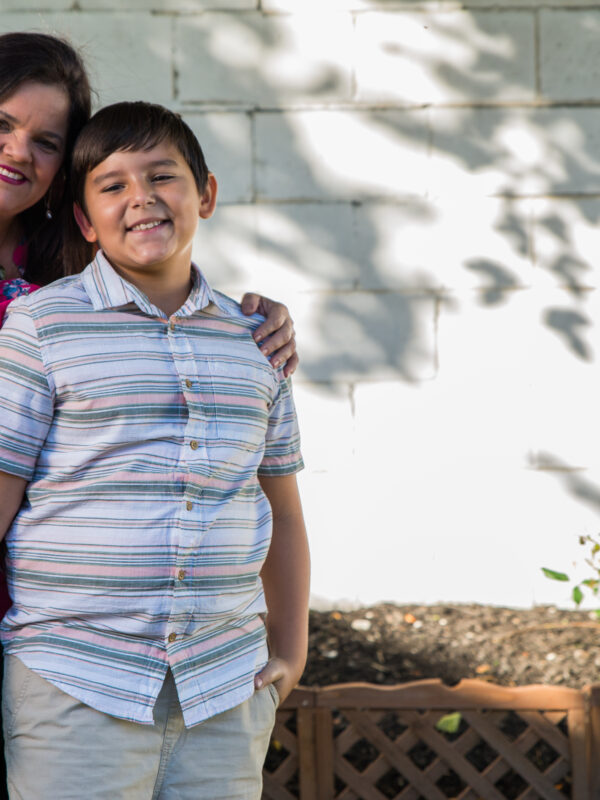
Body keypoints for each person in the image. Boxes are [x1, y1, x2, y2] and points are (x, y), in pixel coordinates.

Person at [0, 99, 310, 799]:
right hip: (74, 682)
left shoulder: (256, 340)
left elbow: (281, 509)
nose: (140, 198)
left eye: (161, 177)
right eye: (112, 186)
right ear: (84, 220)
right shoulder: (42, 326)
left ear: (205, 193)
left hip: (225, 687)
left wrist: (291, 651)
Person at [0, 31, 298, 372]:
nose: (19, 152)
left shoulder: (77, 253)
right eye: (2, 124)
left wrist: (250, 326)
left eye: (46, 143)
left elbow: (163, 331)